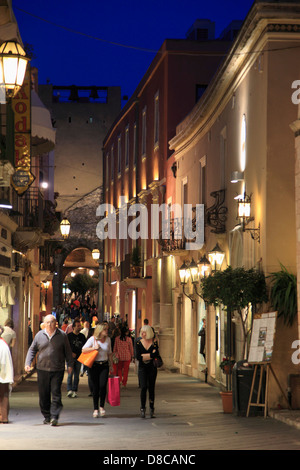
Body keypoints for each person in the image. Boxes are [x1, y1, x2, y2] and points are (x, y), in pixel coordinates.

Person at [24, 314, 74, 426]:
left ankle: (54, 416)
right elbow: (32, 350)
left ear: (55, 323)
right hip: (42, 369)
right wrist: (28, 363)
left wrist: (70, 364)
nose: (50, 324)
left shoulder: (62, 335)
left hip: (58, 369)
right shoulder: (39, 335)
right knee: (43, 394)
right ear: (44, 324)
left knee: (56, 392)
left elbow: (68, 351)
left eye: (52, 322)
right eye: (47, 322)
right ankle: (47, 416)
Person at [81, 322, 112, 418]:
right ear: (100, 331)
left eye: (107, 329)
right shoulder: (92, 339)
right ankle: (95, 409)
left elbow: (110, 353)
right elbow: (83, 350)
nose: (107, 331)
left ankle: (102, 406)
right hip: (94, 366)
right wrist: (94, 348)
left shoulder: (108, 340)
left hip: (104, 365)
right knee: (95, 387)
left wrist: (111, 366)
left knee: (103, 386)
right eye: (105, 330)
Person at [135, 324, 160, 418]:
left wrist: (145, 356)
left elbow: (156, 354)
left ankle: (151, 407)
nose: (142, 334)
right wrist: (150, 355)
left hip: (152, 368)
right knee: (143, 387)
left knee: (151, 388)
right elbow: (138, 357)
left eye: (144, 332)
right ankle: (142, 407)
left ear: (149, 333)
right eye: (142, 332)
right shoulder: (138, 342)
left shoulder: (154, 342)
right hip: (142, 368)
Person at [67, 318, 87, 397]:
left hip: (79, 358)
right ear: (73, 327)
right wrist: (70, 353)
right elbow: (66, 347)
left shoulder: (82, 336)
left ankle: (75, 390)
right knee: (70, 375)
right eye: (78, 326)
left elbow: (85, 346)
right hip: (70, 359)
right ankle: (69, 390)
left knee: (76, 376)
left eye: (80, 326)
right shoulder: (69, 336)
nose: (80, 327)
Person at [0, 326, 14, 423]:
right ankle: (3, 417)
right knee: (3, 395)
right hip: (4, 374)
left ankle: (3, 417)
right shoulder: (3, 344)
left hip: (2, 374)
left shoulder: (1, 345)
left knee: (2, 396)